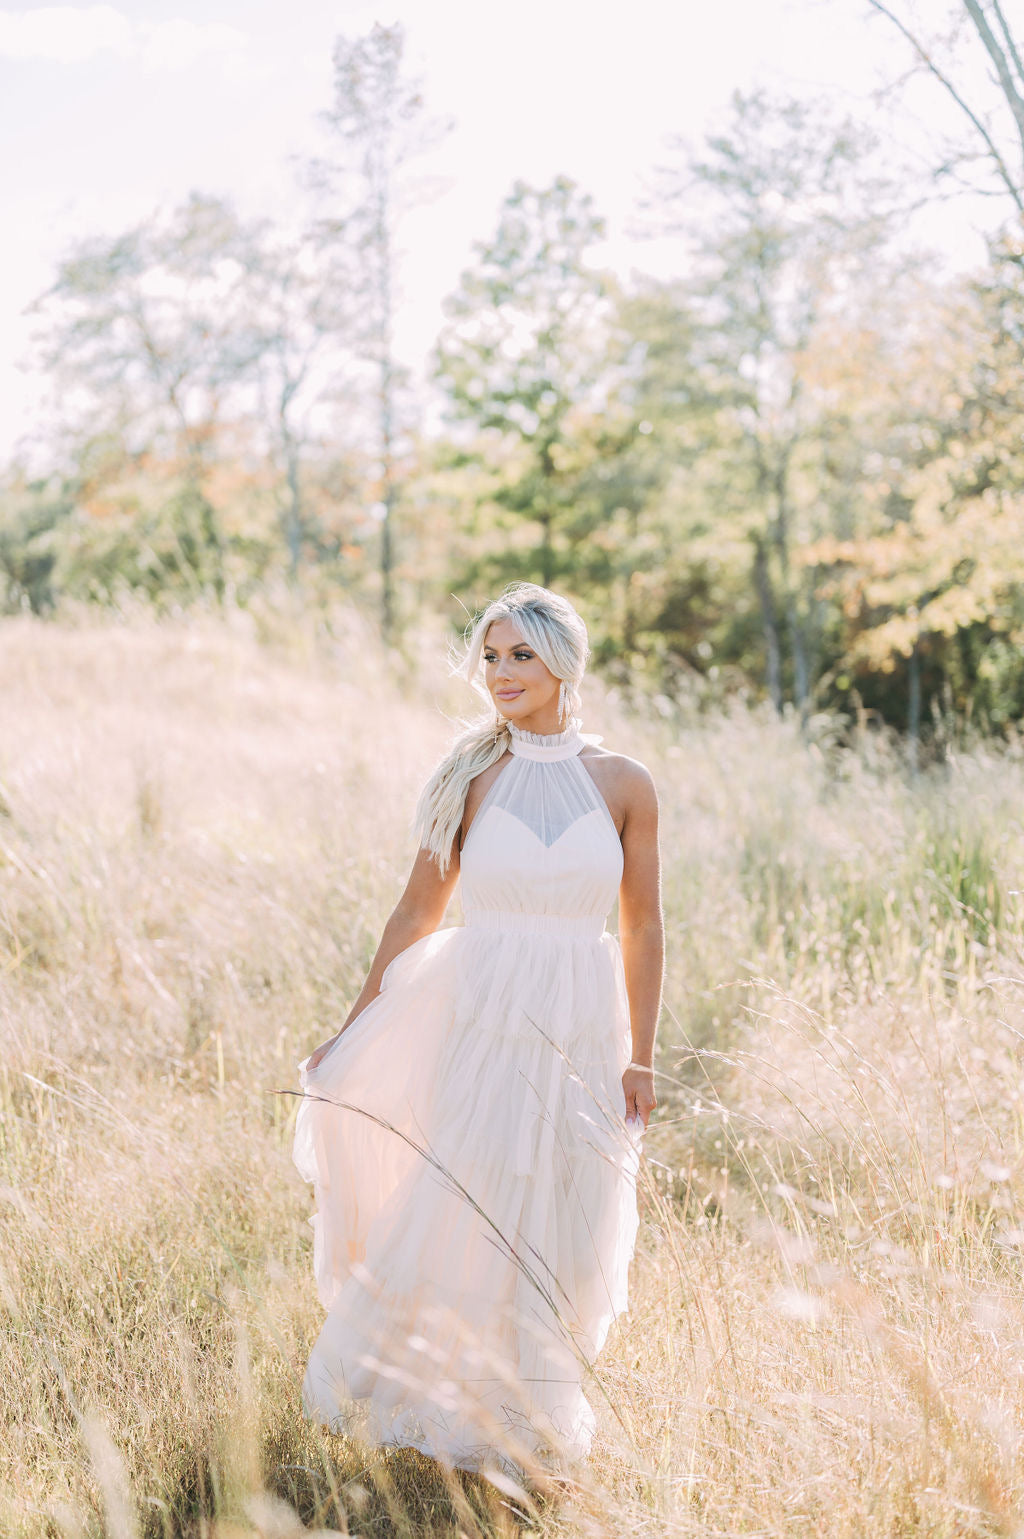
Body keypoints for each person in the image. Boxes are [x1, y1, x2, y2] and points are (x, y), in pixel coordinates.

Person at [292, 581, 663, 1483]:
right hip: (488, 1019)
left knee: (567, 1216)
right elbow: (415, 913)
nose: (501, 672)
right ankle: (433, 1398)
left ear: (564, 661)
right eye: (491, 656)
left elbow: (644, 925)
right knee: (474, 1203)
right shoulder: (469, 778)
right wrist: (352, 1028)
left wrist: (642, 1058)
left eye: (521, 655)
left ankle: (530, 1413)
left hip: (583, 1025)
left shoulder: (624, 784)